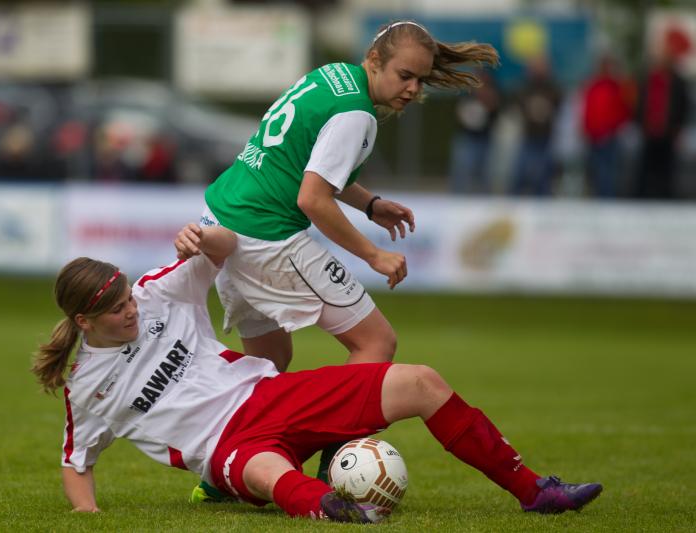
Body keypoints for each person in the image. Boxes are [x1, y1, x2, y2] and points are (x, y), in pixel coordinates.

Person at [31, 223, 603, 522]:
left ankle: (534, 492)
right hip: (227, 449)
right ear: (85, 321)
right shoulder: (87, 387)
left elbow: (223, 248)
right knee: (268, 473)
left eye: (128, 298)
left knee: (420, 381)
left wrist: (203, 237)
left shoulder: (157, 293)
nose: (131, 310)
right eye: (117, 311)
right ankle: (336, 510)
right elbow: (76, 462)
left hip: (272, 395)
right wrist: (88, 514)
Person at [201, 21, 499, 485]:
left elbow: (306, 164)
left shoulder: (333, 75)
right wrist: (373, 255)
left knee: (269, 364)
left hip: (223, 221)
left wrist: (370, 204)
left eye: (420, 80)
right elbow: (313, 199)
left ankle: (222, 475)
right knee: (375, 342)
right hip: (266, 235)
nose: (412, 89)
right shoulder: (357, 114)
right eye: (405, 76)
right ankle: (333, 467)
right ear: (375, 61)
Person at [634, 31, 691, 200]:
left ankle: (666, 197)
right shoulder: (648, 78)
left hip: (668, 130)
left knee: (667, 168)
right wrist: (640, 122)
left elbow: (683, 106)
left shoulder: (678, 81)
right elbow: (641, 102)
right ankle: (641, 197)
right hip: (649, 129)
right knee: (646, 167)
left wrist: (678, 127)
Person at [580, 55, 632, 198]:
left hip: (610, 137)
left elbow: (623, 112)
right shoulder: (593, 86)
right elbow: (587, 110)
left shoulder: (617, 87)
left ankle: (608, 199)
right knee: (596, 171)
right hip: (594, 136)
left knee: (609, 172)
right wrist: (587, 129)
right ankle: (598, 198)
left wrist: (612, 129)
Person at [509, 56, 562, 196]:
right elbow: (518, 104)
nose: (538, 70)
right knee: (520, 174)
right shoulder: (525, 86)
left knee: (543, 177)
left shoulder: (552, 87)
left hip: (545, 138)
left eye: (541, 67)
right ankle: (514, 202)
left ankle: (543, 204)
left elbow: (558, 104)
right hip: (528, 136)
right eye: (535, 67)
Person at [449, 68, 501, 194]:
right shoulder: (467, 94)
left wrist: (487, 101)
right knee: (461, 171)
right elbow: (461, 114)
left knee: (485, 174)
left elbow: (495, 114)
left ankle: (483, 199)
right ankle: (457, 198)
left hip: (485, 138)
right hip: (467, 137)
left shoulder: (493, 93)